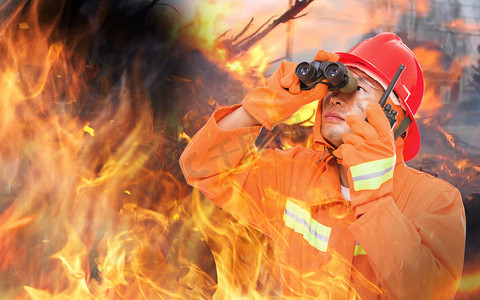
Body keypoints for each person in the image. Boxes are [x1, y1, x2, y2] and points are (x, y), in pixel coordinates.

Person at [179, 32, 466, 299]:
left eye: (358, 87)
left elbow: (427, 292)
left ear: (395, 118)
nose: (337, 96)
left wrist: (375, 195)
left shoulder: (435, 200)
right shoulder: (295, 173)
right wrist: (262, 108)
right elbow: (203, 167)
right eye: (337, 83)